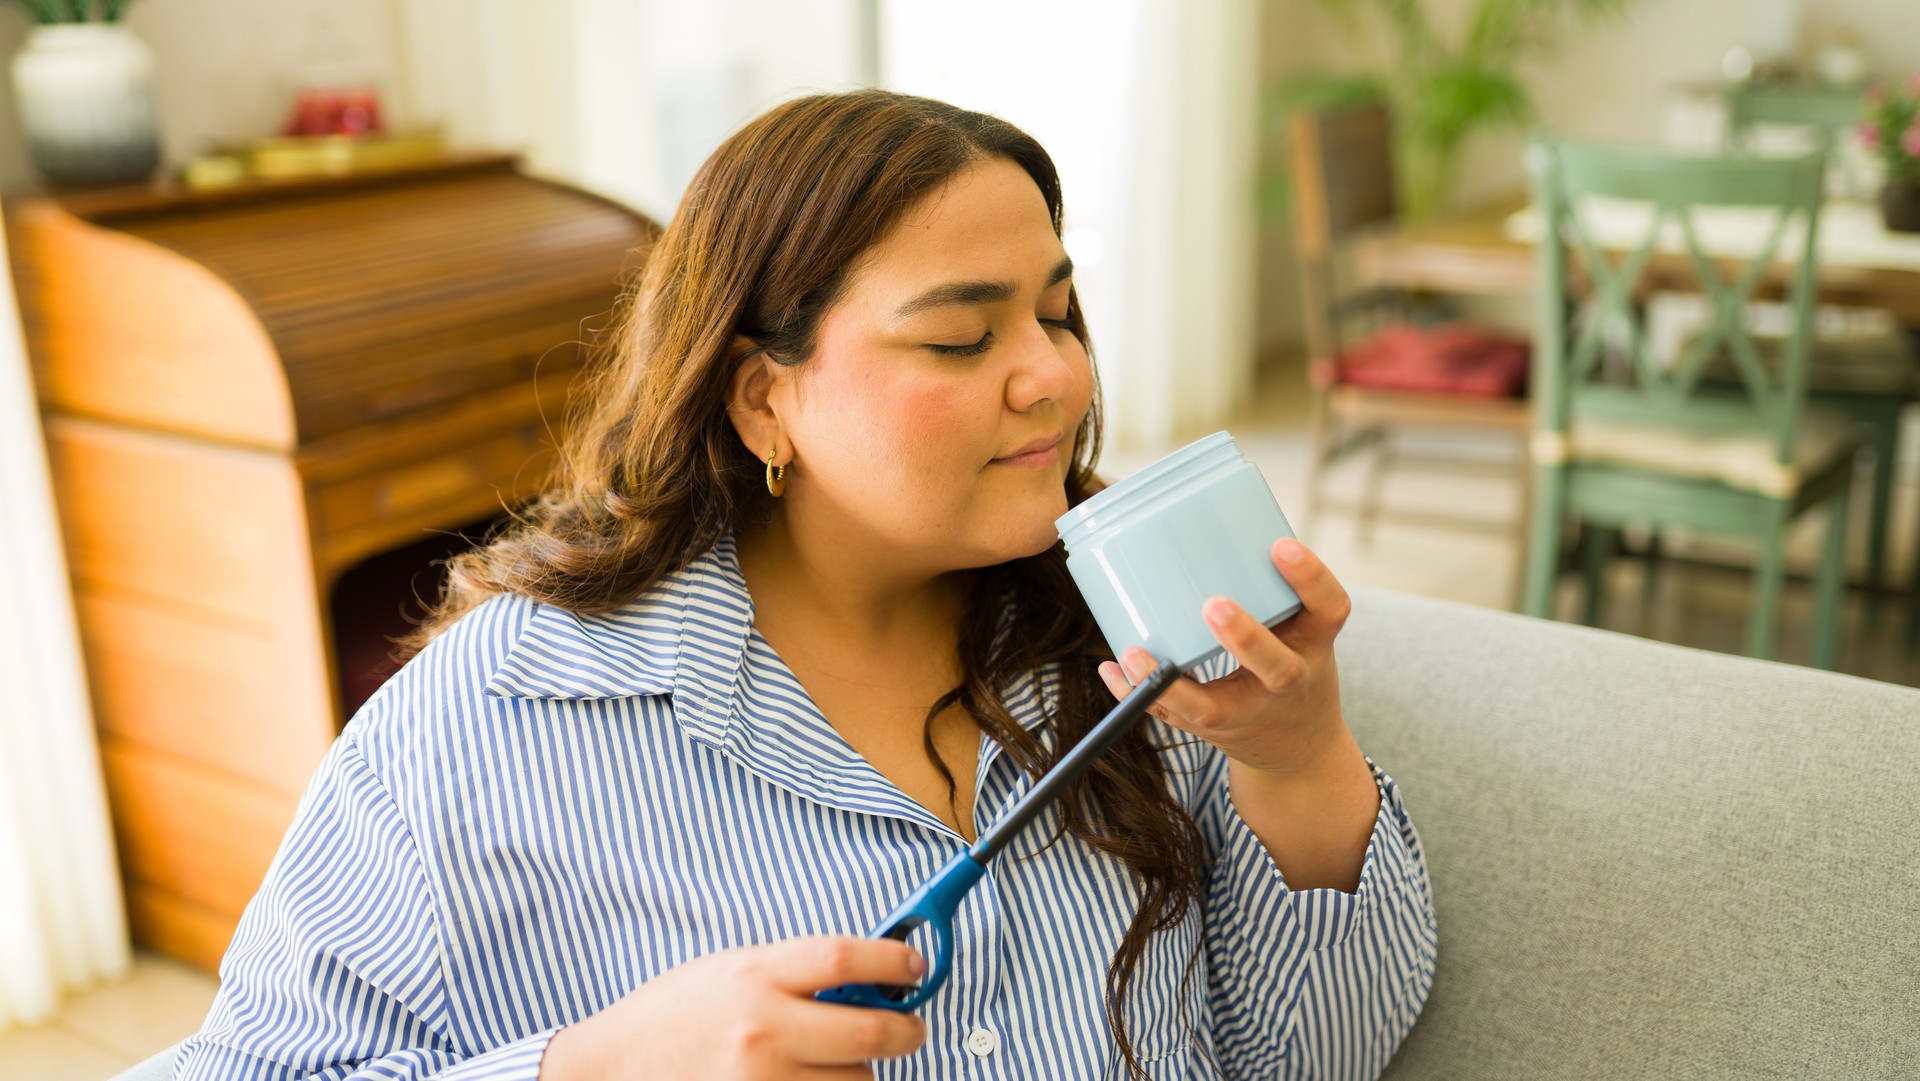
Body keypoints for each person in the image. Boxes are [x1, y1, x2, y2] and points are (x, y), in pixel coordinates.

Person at [177, 89, 1436, 1081]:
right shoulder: (489, 724)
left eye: (1058, 314)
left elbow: (1314, 1058)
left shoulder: (1136, 622)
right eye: (960, 336)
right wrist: (589, 1070)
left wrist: (1296, 756)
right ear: (763, 394)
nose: (1054, 375)